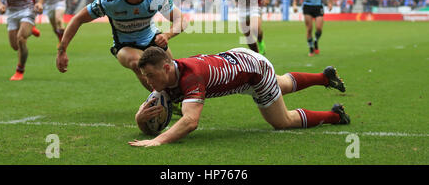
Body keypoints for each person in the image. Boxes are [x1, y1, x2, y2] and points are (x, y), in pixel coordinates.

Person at [128, 46, 349, 147]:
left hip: (254, 74)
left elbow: (190, 121)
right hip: (239, 57)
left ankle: (335, 115)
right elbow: (148, 120)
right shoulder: (166, 77)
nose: (148, 81)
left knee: (282, 121)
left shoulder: (190, 77)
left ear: (166, 68)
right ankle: (324, 77)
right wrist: (141, 119)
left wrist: (158, 140)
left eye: (150, 75)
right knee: (280, 84)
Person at [56, 0, 187, 95]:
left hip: (152, 39)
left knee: (170, 72)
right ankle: (164, 99)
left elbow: (181, 20)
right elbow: (77, 19)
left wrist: (167, 35)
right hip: (125, 46)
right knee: (137, 63)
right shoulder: (110, 2)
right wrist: (62, 50)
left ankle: (172, 99)